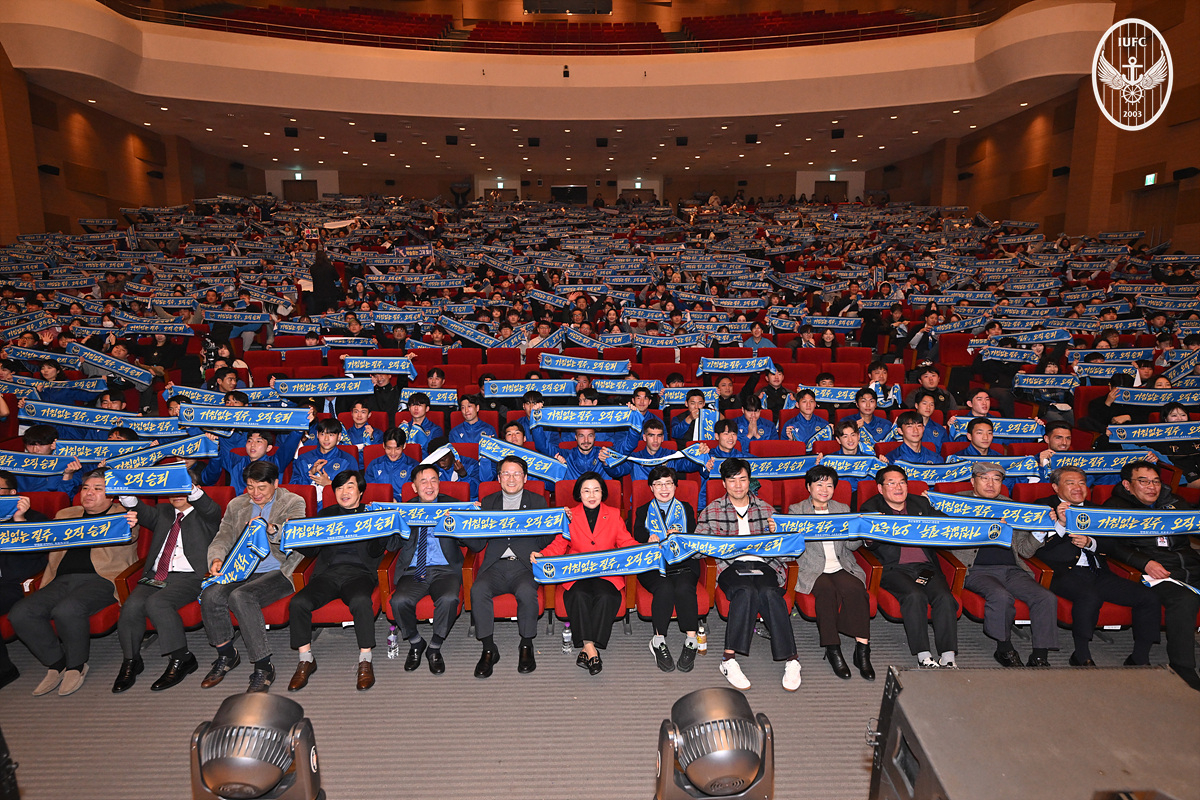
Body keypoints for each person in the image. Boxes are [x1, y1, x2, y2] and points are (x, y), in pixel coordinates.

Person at [8, 470, 138, 697]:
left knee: (67, 609)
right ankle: (57, 663)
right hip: (60, 580)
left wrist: (132, 523)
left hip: (102, 579)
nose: (89, 493)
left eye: (98, 489)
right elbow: (39, 539)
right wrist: (19, 519)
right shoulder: (65, 514)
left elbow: (132, 533)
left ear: (111, 496)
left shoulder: (123, 515)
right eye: (86, 488)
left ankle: (76, 666)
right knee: (21, 612)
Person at [1034, 466, 1161, 667]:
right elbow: (1037, 549)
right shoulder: (1043, 508)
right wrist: (1059, 523)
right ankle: (1081, 653)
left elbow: (1112, 545)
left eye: (1082, 483)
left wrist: (1090, 543)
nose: (1078, 487)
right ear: (1055, 488)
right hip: (1061, 573)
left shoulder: (1098, 511)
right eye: (1070, 483)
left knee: (1148, 597)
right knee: (1088, 596)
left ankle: (1140, 656)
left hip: (1098, 571)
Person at [199, 461, 308, 693]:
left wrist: (271, 529)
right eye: (250, 487)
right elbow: (223, 536)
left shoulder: (293, 501)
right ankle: (227, 654)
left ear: (275, 484)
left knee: (241, 596)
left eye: (261, 488)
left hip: (278, 570)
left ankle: (263, 665)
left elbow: (297, 536)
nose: (255, 494)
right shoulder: (236, 505)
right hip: (242, 568)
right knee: (210, 595)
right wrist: (216, 559)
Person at [696, 458, 801, 692]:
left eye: (742, 479)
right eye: (732, 480)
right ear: (723, 483)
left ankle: (791, 659)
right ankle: (728, 659)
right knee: (745, 591)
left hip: (763, 564)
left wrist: (780, 533)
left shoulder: (766, 509)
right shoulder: (711, 509)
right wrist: (708, 546)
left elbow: (786, 550)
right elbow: (697, 547)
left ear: (749, 481)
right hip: (730, 565)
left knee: (770, 592)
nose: (738, 485)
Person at [112, 482, 221, 693]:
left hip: (190, 577)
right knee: (131, 605)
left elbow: (209, 508)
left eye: (183, 489)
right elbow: (137, 507)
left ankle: (182, 658)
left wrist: (188, 485)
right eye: (173, 489)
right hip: (157, 575)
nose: (177, 494)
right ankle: (131, 660)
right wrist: (121, 487)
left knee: (157, 603)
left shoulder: (206, 513)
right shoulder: (163, 512)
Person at [287, 470, 390, 692]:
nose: (345, 492)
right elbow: (312, 550)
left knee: (361, 601)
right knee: (298, 602)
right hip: (328, 574)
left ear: (360, 492)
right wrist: (294, 535)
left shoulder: (371, 514)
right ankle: (306, 659)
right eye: (339, 488)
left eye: (350, 487)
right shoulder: (326, 514)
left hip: (360, 574)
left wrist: (383, 526)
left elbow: (375, 551)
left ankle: (365, 660)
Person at [1101, 460, 1200, 690]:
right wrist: (1144, 562)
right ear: (1127, 484)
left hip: (1189, 563)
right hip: (1151, 570)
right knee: (1184, 600)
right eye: (1143, 481)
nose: (1151, 487)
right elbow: (1111, 546)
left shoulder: (1174, 502)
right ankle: (1182, 665)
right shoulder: (1115, 507)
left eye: (1155, 481)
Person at [531, 472, 639, 676]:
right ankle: (591, 649)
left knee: (608, 596)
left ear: (602, 493)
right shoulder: (569, 514)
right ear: (579, 494)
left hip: (607, 572)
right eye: (586, 491)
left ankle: (585, 649)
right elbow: (560, 544)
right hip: (577, 572)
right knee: (578, 595)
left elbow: (626, 543)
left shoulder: (614, 514)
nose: (592, 495)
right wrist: (542, 555)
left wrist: (647, 548)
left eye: (596, 490)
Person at [952, 462, 1057, 667]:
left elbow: (1025, 550)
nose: (991, 484)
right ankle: (1004, 648)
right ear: (973, 481)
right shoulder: (956, 503)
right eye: (984, 478)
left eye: (996, 479)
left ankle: (1040, 654)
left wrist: (1041, 528)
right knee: (1000, 596)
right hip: (977, 569)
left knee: (1045, 597)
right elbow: (944, 539)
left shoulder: (1012, 507)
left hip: (1012, 569)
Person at [859, 466, 959, 668]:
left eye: (902, 482)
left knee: (944, 597)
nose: (898, 487)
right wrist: (869, 538)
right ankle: (924, 655)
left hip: (925, 568)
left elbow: (947, 525)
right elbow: (869, 543)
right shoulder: (871, 508)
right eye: (892, 483)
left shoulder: (920, 503)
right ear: (880, 488)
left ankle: (948, 656)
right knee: (915, 595)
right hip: (894, 569)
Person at [468, 456, 552, 678]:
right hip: (495, 566)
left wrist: (557, 522)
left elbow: (546, 541)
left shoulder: (538, 502)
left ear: (525, 478)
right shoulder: (487, 503)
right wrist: (464, 524)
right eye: (506, 473)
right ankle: (488, 648)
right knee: (478, 590)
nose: (511, 478)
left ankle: (526, 645)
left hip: (524, 566)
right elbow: (477, 544)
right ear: (498, 478)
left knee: (526, 592)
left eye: (516, 474)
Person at [788, 465, 873, 680]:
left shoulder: (842, 509)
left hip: (841, 564)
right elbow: (793, 547)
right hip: (812, 567)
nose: (824, 489)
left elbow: (851, 547)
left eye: (829, 485)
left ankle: (862, 650)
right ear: (809, 487)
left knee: (856, 589)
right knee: (826, 592)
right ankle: (833, 648)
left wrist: (863, 534)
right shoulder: (797, 511)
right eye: (819, 484)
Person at [391, 463, 467, 676]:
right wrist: (391, 523)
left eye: (434, 480)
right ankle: (416, 642)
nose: (429, 485)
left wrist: (462, 521)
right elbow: (391, 546)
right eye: (423, 481)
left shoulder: (454, 506)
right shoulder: (404, 510)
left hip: (445, 569)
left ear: (439, 484)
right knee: (398, 601)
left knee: (450, 599)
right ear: (414, 487)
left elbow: (474, 544)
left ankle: (434, 646)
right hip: (414, 570)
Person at [631, 466, 700, 673]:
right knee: (665, 589)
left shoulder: (686, 508)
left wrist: (680, 535)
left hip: (682, 561)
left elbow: (694, 536)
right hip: (653, 563)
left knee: (684, 587)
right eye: (658, 484)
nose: (664, 488)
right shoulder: (643, 510)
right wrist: (647, 539)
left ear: (675, 486)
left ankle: (691, 640)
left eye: (668, 483)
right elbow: (635, 537)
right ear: (651, 487)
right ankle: (658, 640)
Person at [0, 471, 48, 690]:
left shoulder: (35, 520)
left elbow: (33, 560)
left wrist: (19, 521)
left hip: (14, 584)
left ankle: (4, 670)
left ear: (11, 493)